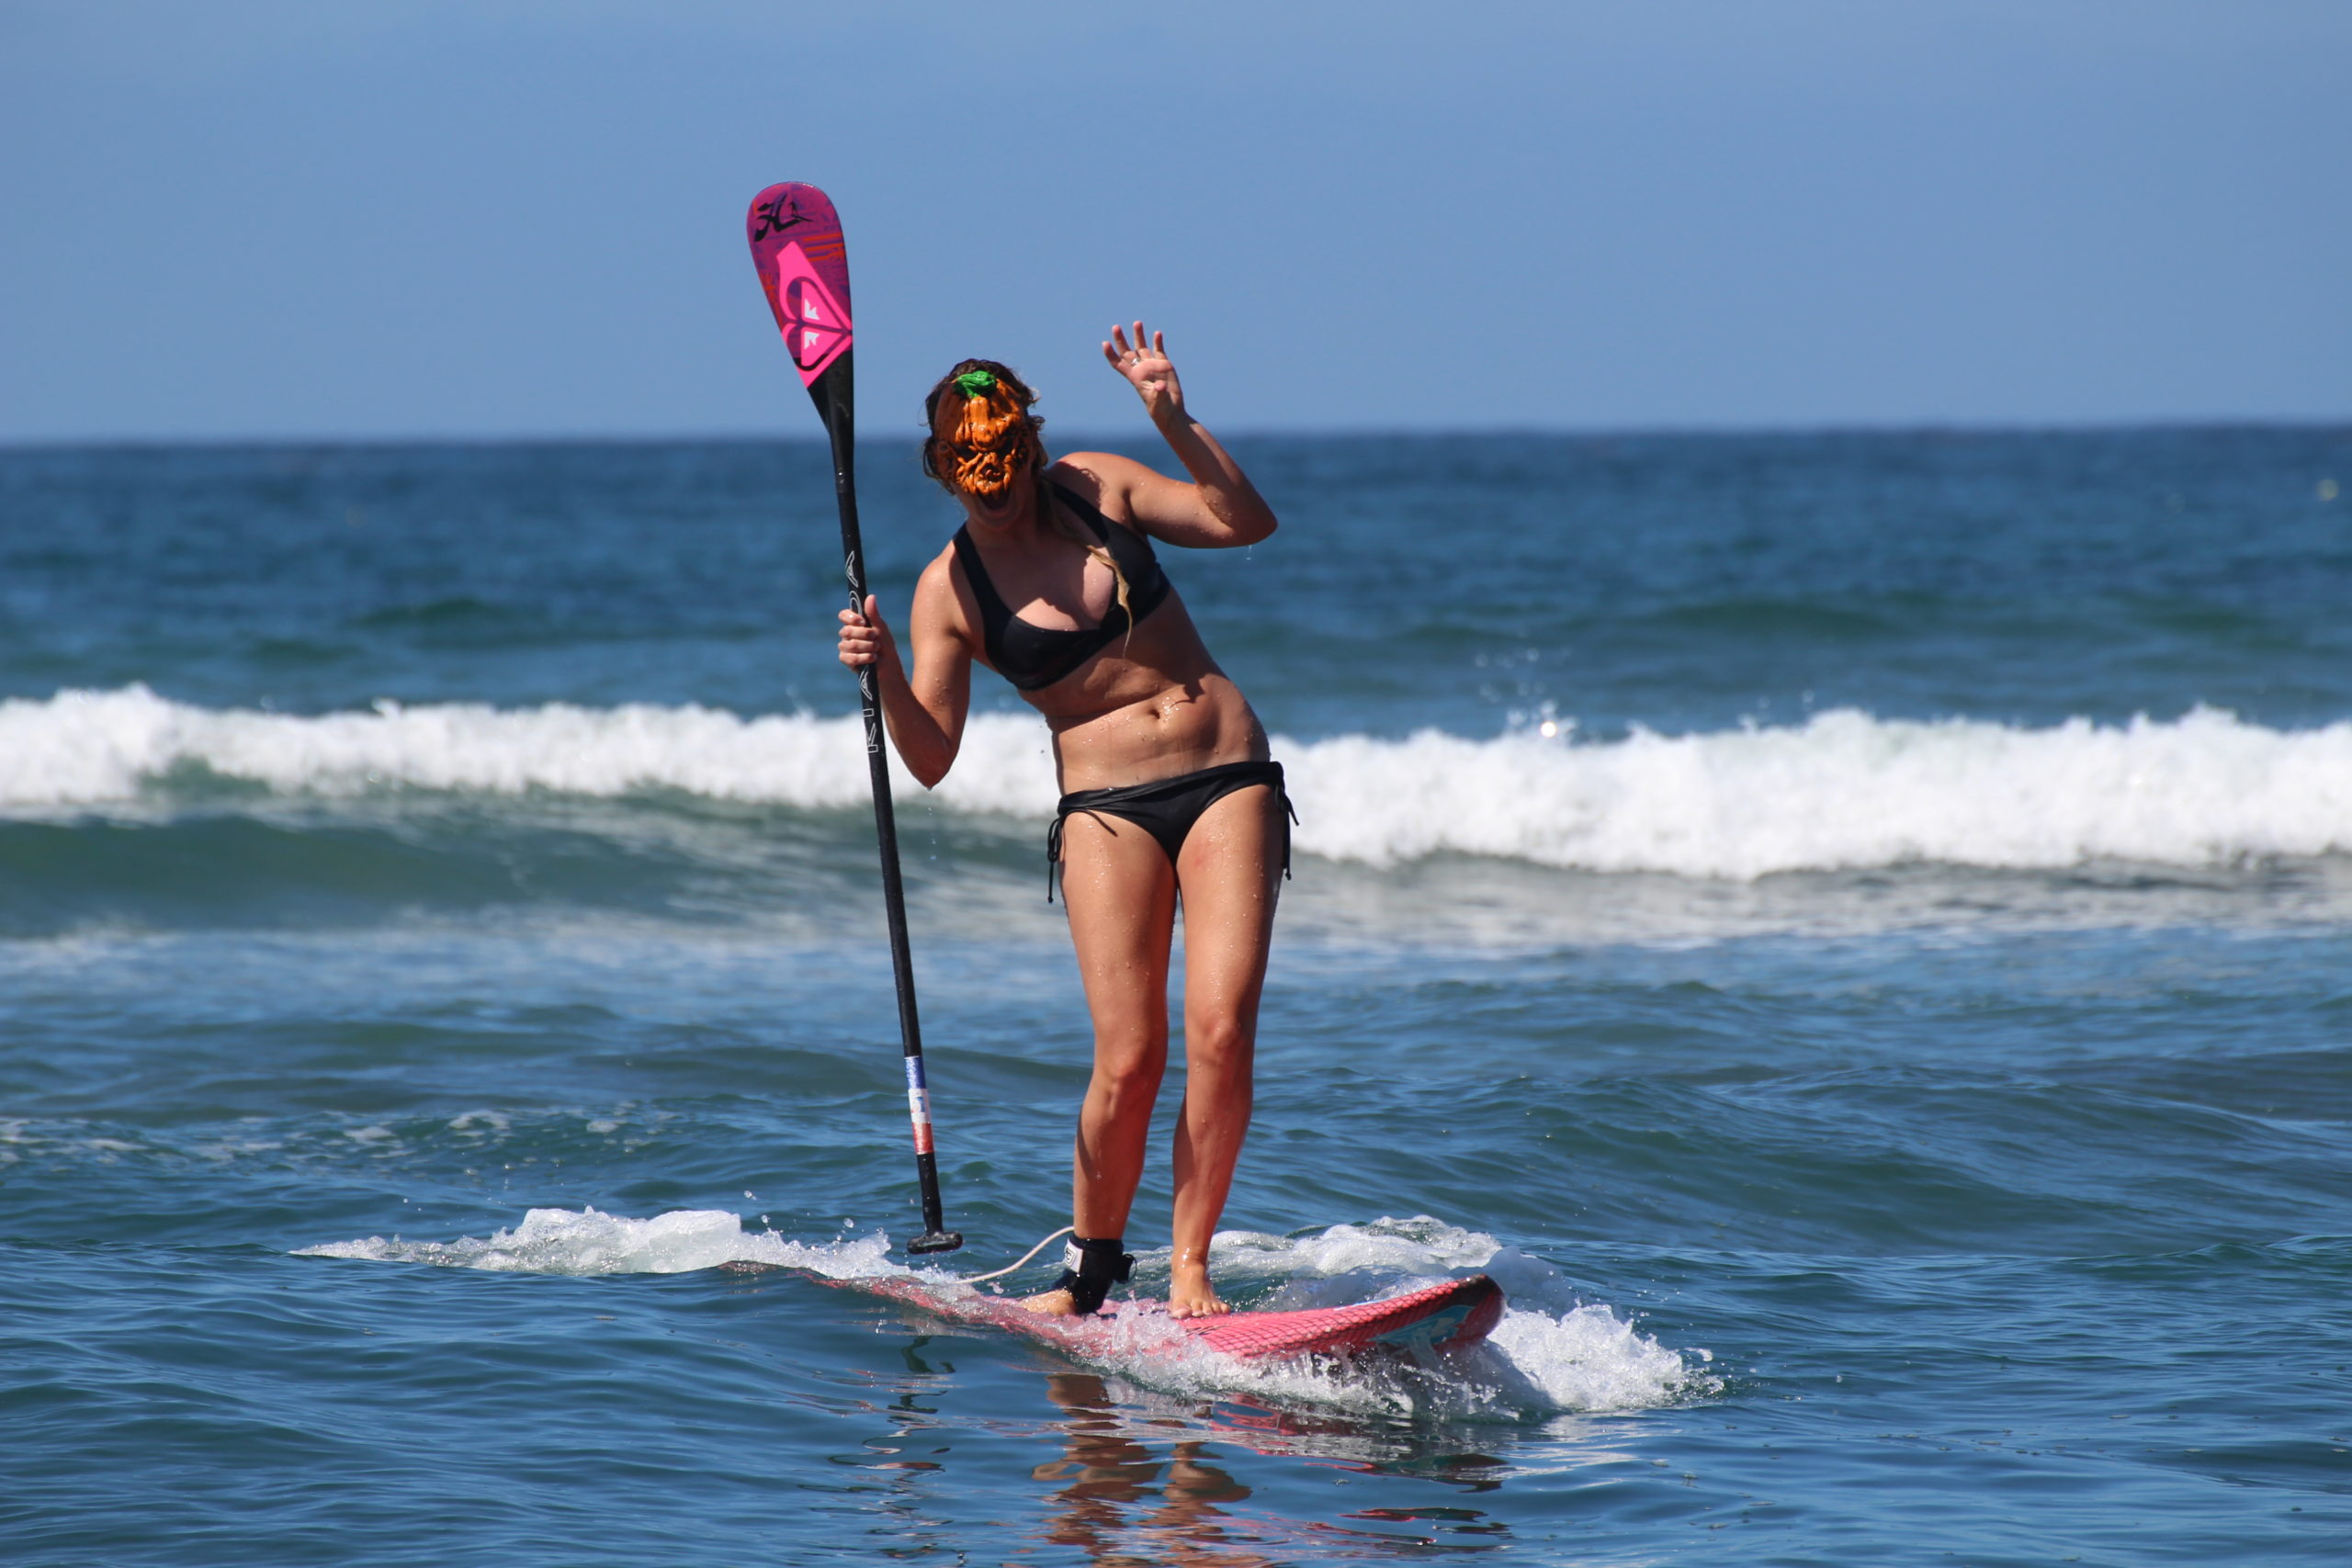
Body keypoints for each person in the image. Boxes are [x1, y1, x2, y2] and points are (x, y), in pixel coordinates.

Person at [835, 322, 1284, 1318]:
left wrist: (1173, 418)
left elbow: (1244, 520)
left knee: (1221, 1029)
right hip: (1106, 811)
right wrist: (884, 675)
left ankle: (1191, 1268)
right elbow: (930, 758)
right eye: (972, 474)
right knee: (1130, 1057)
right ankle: (1088, 1275)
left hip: (1227, 778)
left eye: (1006, 465)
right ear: (945, 472)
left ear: (1031, 447)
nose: (994, 489)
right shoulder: (948, 592)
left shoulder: (1097, 487)